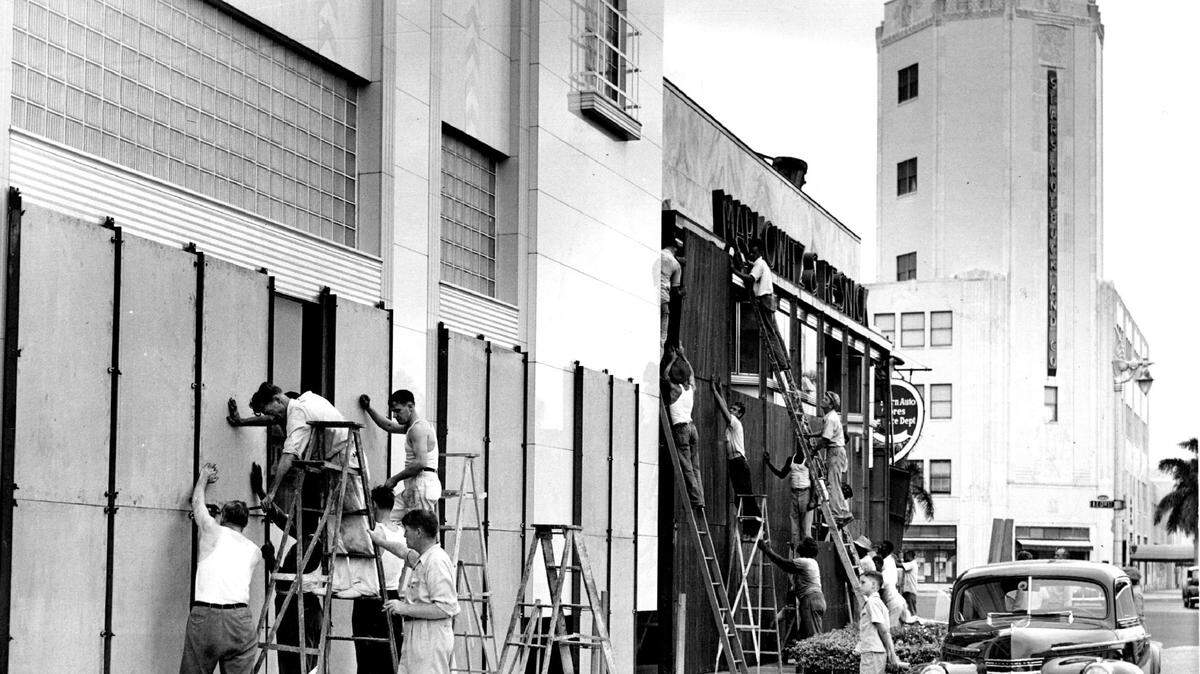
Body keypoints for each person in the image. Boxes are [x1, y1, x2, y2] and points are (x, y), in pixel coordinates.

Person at [248, 382, 376, 599]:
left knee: (353, 523)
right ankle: (341, 579)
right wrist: (242, 421)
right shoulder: (308, 399)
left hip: (346, 459)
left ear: (278, 399)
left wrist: (272, 492)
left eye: (271, 411)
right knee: (335, 525)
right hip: (339, 459)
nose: (273, 418)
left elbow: (289, 454)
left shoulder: (298, 412)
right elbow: (272, 420)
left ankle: (366, 582)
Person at [180, 463, 261, 674]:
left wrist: (204, 477)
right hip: (240, 620)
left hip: (207, 616)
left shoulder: (211, 531)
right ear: (245, 523)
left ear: (222, 518)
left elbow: (197, 503)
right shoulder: (255, 551)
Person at [375, 509, 461, 674]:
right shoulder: (424, 558)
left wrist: (404, 608)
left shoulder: (436, 561)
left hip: (430, 637)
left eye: (407, 531)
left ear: (419, 532)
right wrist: (379, 540)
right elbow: (402, 551)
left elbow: (445, 608)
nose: (404, 535)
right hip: (418, 634)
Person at [354, 486, 418, 672]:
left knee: (367, 658)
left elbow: (370, 565)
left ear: (373, 504)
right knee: (390, 657)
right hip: (392, 594)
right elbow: (405, 567)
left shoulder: (376, 531)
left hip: (371, 596)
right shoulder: (400, 532)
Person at [360, 389, 442, 523]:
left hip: (422, 485)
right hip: (414, 486)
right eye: (393, 411)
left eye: (398, 411)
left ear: (410, 406)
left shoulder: (418, 429)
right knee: (383, 517)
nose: (395, 415)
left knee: (419, 529)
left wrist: (394, 479)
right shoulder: (412, 428)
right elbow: (389, 426)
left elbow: (420, 463)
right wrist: (369, 408)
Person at [711, 382, 760, 532]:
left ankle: (755, 525)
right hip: (733, 462)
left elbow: (724, 410)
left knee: (746, 495)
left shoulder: (736, 423)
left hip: (739, 461)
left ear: (739, 414)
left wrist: (715, 392)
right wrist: (720, 391)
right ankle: (748, 528)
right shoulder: (731, 425)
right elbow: (726, 409)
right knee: (739, 496)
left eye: (734, 410)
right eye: (731, 409)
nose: (731, 411)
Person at [759, 538, 825, 640]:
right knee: (804, 637)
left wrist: (766, 549)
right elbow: (797, 583)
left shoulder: (804, 562)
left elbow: (783, 564)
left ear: (804, 549)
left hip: (810, 601)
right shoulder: (813, 563)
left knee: (813, 638)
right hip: (818, 600)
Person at [663, 346, 704, 509]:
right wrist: (684, 356)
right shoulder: (690, 389)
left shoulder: (675, 389)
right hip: (692, 428)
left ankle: (696, 500)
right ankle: (701, 499)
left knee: (687, 467)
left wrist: (673, 359)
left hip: (681, 429)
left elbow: (665, 375)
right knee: (695, 466)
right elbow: (692, 374)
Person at [809, 391, 852, 527]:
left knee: (833, 484)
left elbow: (825, 439)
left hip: (835, 451)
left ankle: (838, 514)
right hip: (836, 451)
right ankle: (843, 512)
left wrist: (813, 450)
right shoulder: (830, 417)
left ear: (831, 404)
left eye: (826, 399)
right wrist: (811, 436)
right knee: (835, 483)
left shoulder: (830, 418)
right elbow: (824, 433)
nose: (822, 400)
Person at [856, 571, 906, 674]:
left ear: (874, 585)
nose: (859, 585)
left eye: (863, 582)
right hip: (873, 652)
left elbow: (884, 631)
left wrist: (892, 655)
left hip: (872, 652)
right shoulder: (876, 602)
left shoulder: (872, 602)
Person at [765, 442, 813, 546]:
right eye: (799, 445)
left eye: (803, 445)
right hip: (794, 493)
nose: (800, 448)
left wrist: (812, 500)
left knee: (805, 526)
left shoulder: (808, 460)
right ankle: (795, 549)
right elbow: (782, 475)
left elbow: (814, 481)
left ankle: (807, 551)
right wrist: (769, 463)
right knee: (794, 524)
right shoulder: (791, 459)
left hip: (805, 493)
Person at [877, 540, 917, 625]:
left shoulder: (889, 564)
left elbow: (885, 584)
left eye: (882, 547)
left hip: (900, 597)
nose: (879, 548)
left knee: (891, 627)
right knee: (906, 622)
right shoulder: (888, 562)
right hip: (899, 598)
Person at [658, 238, 684, 353]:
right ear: (675, 249)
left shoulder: (657, 253)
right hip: (663, 298)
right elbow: (675, 291)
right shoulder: (676, 265)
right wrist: (682, 293)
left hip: (649, 294)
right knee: (661, 337)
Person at [746, 239, 776, 311]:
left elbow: (751, 278)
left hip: (764, 300)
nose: (752, 255)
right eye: (751, 252)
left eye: (754, 253)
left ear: (760, 252)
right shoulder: (763, 263)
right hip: (768, 300)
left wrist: (735, 271)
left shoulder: (759, 264)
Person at [900, 550, 920, 615]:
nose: (904, 558)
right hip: (907, 591)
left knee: (911, 612)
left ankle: (914, 620)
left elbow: (899, 565)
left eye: (905, 556)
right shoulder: (910, 563)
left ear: (909, 556)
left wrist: (892, 559)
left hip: (910, 591)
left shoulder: (912, 564)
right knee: (906, 612)